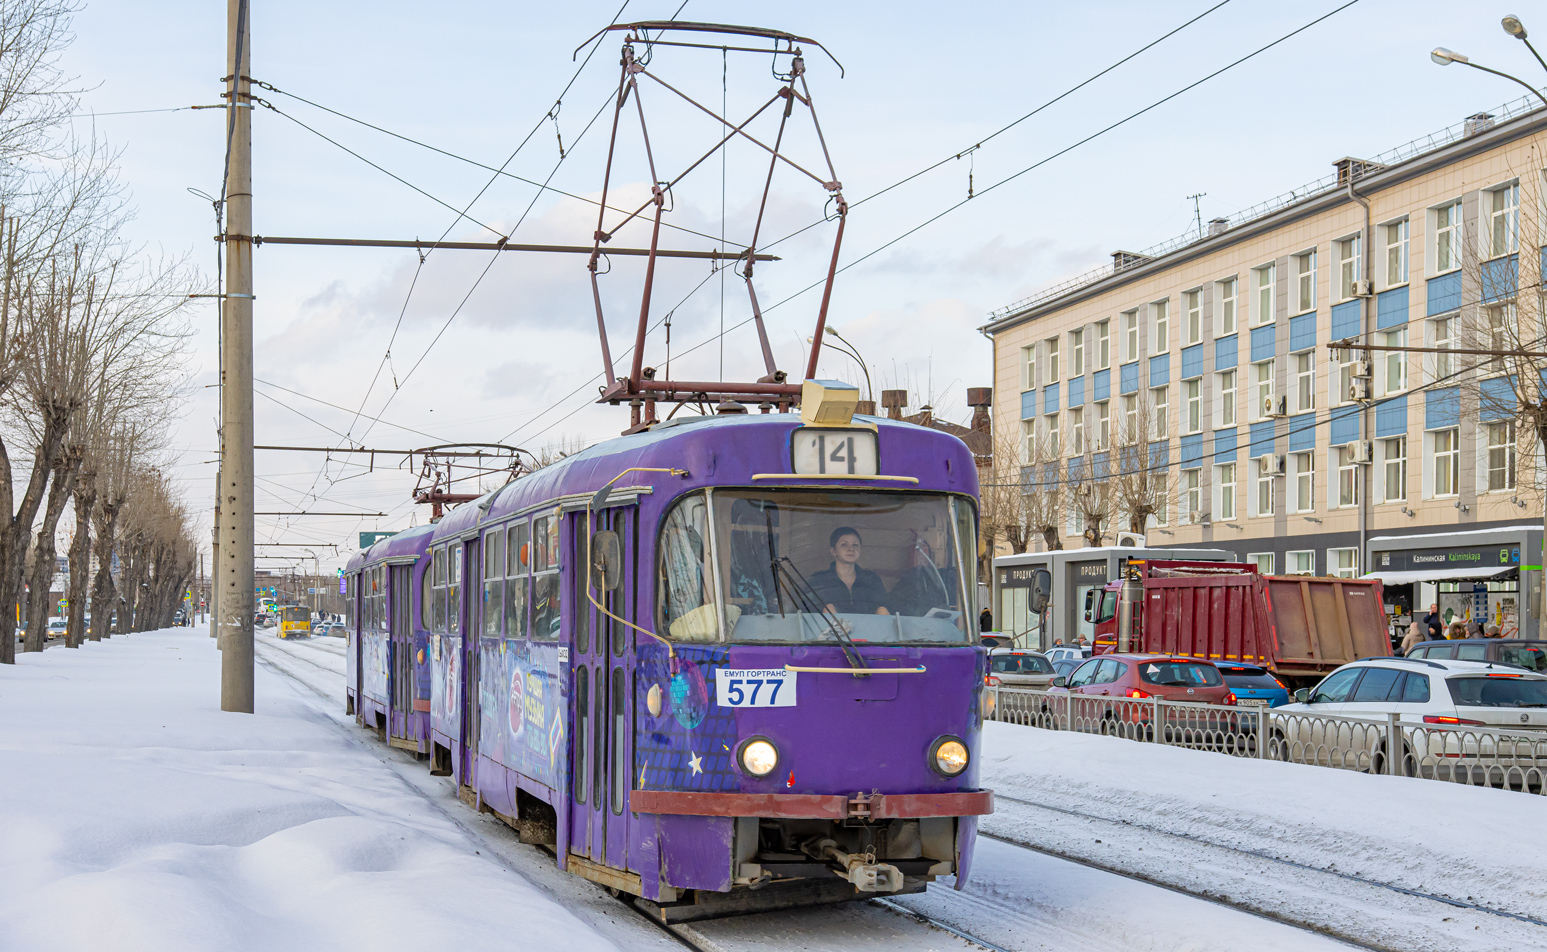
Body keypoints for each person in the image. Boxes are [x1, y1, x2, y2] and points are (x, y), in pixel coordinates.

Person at [808, 526, 891, 615]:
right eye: (844, 544)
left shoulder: (871, 579)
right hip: (831, 629)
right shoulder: (818, 580)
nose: (851, 549)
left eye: (855, 545)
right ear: (833, 551)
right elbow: (807, 614)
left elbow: (885, 609)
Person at [889, 537, 953, 617]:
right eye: (916, 554)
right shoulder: (905, 584)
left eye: (922, 553)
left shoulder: (946, 579)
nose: (919, 558)